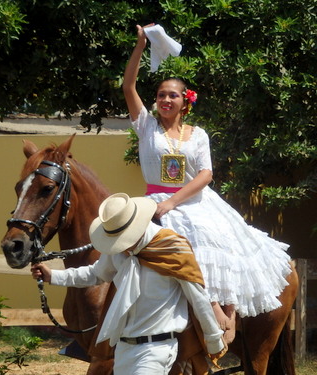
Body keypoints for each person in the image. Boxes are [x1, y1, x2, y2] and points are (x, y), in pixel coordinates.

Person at [123, 24, 293, 344]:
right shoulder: (146, 126)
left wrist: (172, 202)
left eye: (172, 94)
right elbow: (128, 85)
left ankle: (222, 312)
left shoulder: (197, 134)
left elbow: (205, 175)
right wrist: (140, 47)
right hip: (152, 199)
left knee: (212, 238)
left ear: (184, 101)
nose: (165, 99)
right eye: (160, 95)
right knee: (119, 242)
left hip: (193, 200)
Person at [31, 193, 226, 375]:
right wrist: (53, 276)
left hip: (156, 349)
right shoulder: (118, 248)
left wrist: (213, 338)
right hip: (123, 348)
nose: (121, 245)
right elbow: (95, 274)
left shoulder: (173, 248)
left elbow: (198, 296)